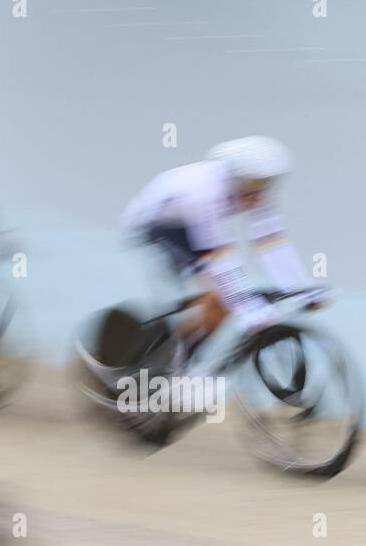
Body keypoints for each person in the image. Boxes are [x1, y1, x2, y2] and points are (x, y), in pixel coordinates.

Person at [119, 136, 326, 374]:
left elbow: (272, 245)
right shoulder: (203, 191)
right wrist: (247, 307)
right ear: (235, 176)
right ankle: (168, 365)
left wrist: (302, 287)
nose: (262, 193)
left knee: (224, 301)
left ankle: (178, 356)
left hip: (192, 228)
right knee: (219, 299)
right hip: (159, 225)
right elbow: (216, 254)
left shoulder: (254, 188)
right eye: (257, 183)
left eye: (270, 183)